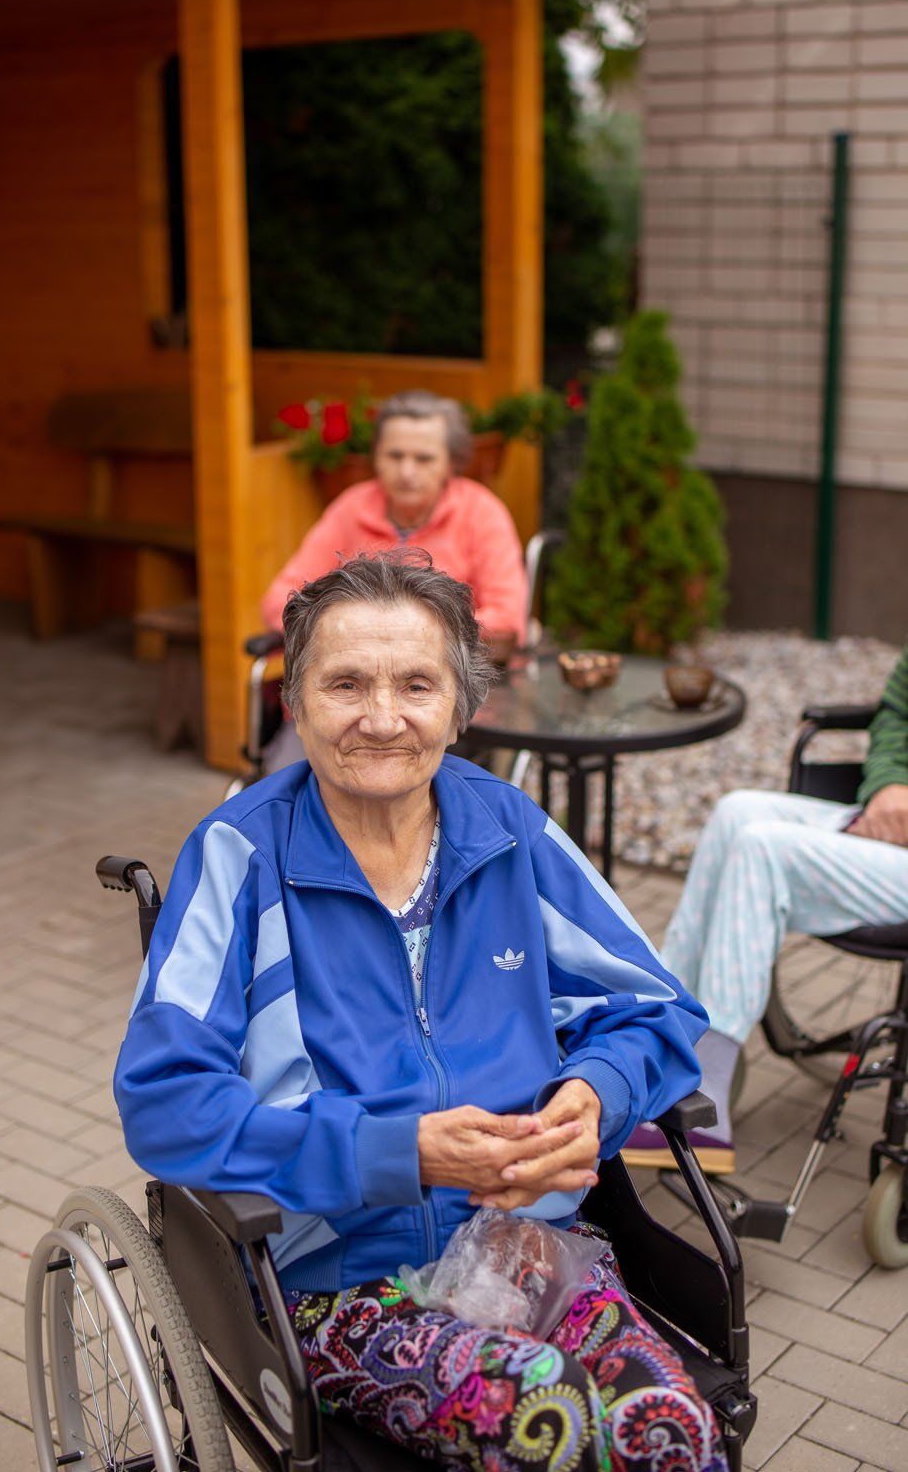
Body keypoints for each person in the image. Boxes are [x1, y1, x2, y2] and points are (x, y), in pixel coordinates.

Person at [115, 552, 727, 1472]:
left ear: (461, 705)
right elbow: (164, 1098)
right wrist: (394, 1153)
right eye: (347, 684)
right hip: (337, 1283)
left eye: (416, 685)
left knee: (675, 1429)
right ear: (296, 702)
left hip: (528, 1244)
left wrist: (596, 1095)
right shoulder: (238, 856)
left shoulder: (507, 831)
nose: (383, 718)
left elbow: (654, 1007)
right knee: (567, 1433)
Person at [623, 644, 908, 1175]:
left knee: (763, 851)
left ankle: (707, 1100)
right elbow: (898, 712)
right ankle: (664, 1033)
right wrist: (890, 784)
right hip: (889, 821)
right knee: (736, 813)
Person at [262, 389, 527, 654]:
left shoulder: (481, 511)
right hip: (353, 670)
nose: (406, 472)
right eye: (395, 456)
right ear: (376, 458)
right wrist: (351, 633)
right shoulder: (351, 507)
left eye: (424, 459)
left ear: (451, 464)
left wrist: (410, 634)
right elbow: (281, 601)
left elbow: (507, 617)